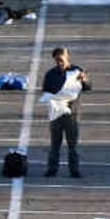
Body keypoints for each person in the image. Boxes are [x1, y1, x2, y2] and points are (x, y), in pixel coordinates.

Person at [41, 47, 91, 178]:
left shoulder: (77, 71)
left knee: (72, 145)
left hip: (72, 114)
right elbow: (45, 91)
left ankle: (74, 170)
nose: (59, 63)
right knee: (54, 145)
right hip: (56, 113)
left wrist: (84, 80)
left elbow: (88, 87)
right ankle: (52, 169)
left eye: (61, 60)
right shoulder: (50, 74)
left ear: (67, 57)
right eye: (57, 60)